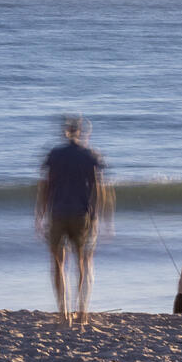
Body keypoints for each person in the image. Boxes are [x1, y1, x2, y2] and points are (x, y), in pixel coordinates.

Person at [37, 114, 112, 325]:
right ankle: (83, 312)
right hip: (82, 214)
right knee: (84, 262)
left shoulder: (54, 154)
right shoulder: (90, 155)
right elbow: (99, 188)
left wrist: (40, 214)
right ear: (82, 132)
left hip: (58, 213)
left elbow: (45, 186)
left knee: (58, 264)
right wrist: (101, 216)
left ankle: (63, 314)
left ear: (65, 131)